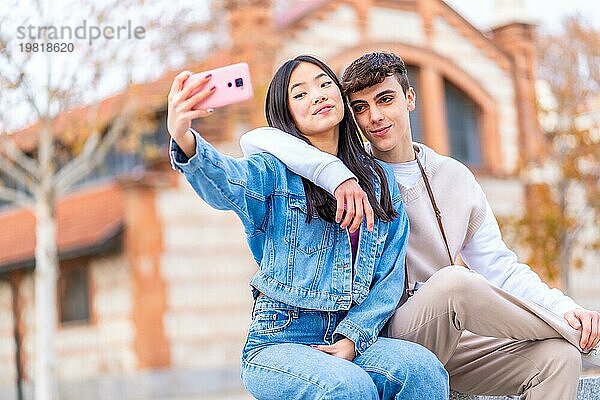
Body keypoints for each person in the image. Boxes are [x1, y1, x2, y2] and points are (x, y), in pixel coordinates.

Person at [239, 51, 600, 400]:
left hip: (451, 333)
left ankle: (570, 334)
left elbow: (500, 268)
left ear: (410, 98)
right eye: (361, 108)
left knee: (558, 358)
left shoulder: (455, 176)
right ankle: (578, 335)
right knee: (455, 282)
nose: (375, 117)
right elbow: (259, 138)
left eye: (386, 100)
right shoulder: (350, 176)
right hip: (379, 336)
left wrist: (564, 306)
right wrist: (335, 175)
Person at [166, 54, 449, 400]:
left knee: (422, 370)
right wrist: (184, 137)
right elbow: (228, 183)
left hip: (350, 335)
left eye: (325, 84)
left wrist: (352, 338)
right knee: (348, 387)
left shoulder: (378, 181)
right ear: (288, 115)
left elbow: (388, 277)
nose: (317, 95)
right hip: (279, 339)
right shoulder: (272, 171)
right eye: (299, 94)